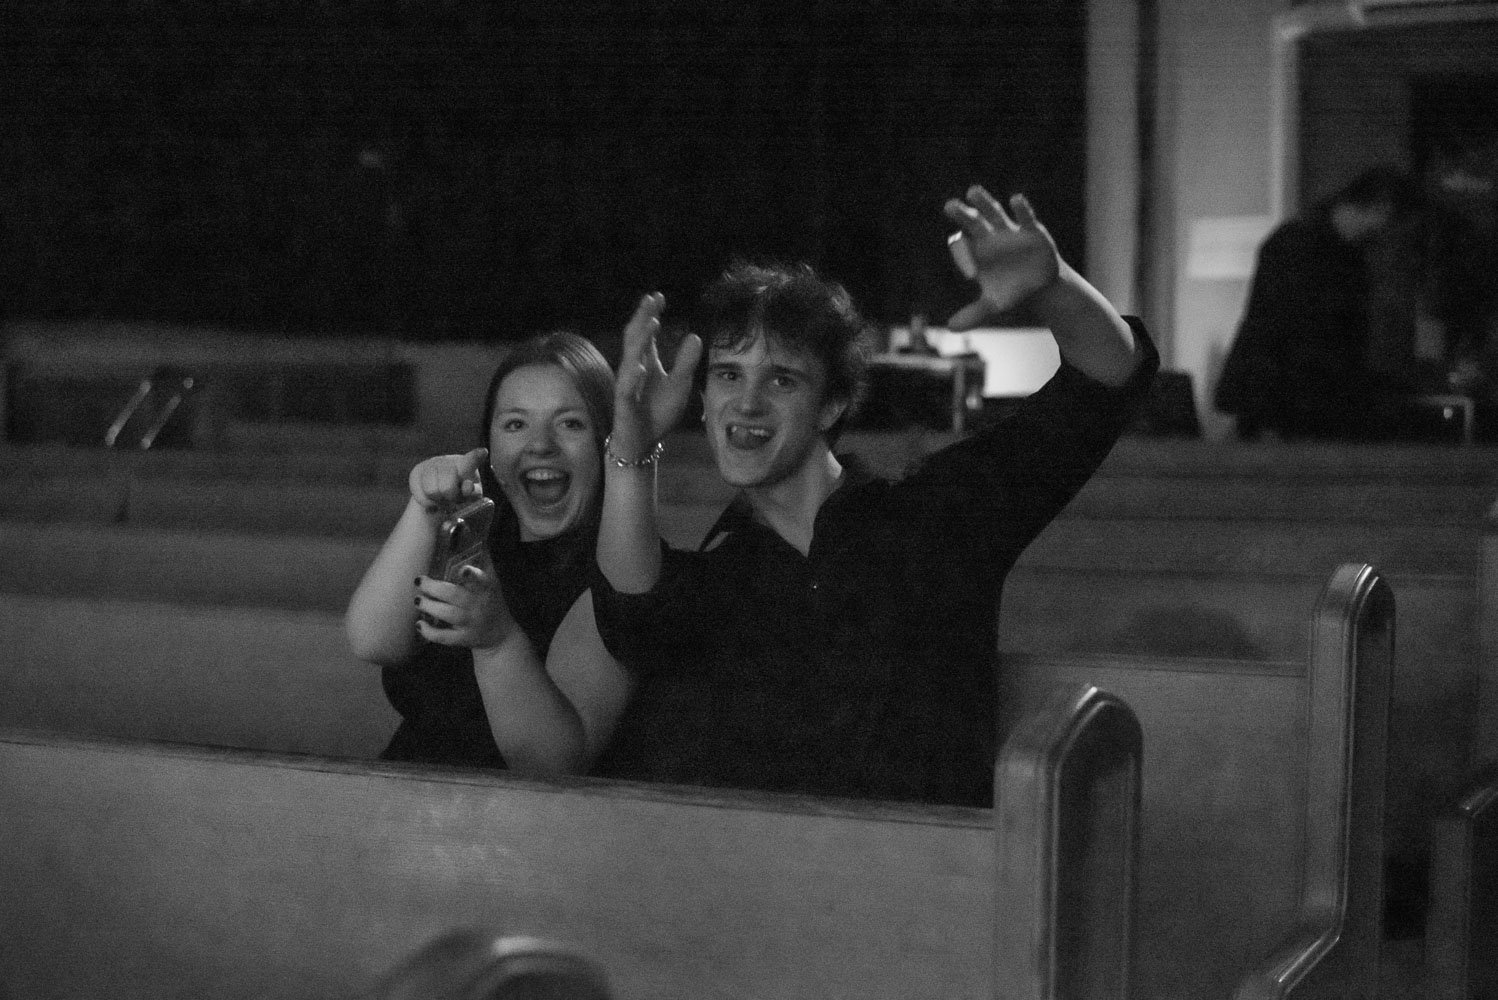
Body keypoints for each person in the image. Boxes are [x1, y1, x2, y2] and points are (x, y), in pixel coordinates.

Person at [587, 185, 1158, 807]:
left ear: (833, 402)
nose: (745, 404)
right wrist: (632, 452)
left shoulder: (935, 520)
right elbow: (631, 616)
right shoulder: (717, 574)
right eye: (728, 375)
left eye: (781, 378)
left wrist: (1054, 288)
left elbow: (1107, 381)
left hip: (940, 887)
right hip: (772, 893)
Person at [345, 332, 631, 774]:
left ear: (608, 441)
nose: (540, 444)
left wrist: (496, 641)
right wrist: (423, 509)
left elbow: (550, 764)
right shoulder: (475, 537)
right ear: (491, 446)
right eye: (516, 424)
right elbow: (372, 641)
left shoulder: (625, 575)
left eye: (570, 423)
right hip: (404, 809)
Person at [1214, 166, 1420, 441]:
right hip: (1293, 402)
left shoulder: (1306, 244)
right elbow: (1280, 333)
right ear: (1381, 209)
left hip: (1298, 401)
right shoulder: (1310, 250)